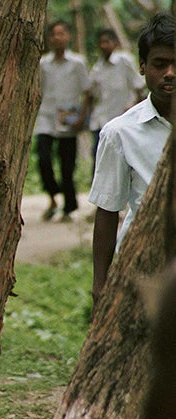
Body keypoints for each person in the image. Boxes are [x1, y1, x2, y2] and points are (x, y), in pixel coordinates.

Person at [89, 13, 174, 305]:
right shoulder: (120, 133)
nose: (170, 73)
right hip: (144, 269)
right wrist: (100, 282)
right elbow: (107, 209)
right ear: (142, 67)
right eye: (160, 64)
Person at [34, 20, 91, 222]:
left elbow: (87, 92)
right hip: (46, 116)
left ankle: (69, 206)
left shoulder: (78, 63)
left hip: (69, 118)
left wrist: (82, 118)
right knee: (43, 157)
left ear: (68, 37)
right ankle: (52, 196)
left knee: (67, 164)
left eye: (62, 34)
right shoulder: (42, 64)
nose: (58, 38)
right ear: (49, 38)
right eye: (54, 34)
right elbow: (37, 90)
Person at [84, 29, 146, 163]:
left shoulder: (124, 61)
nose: (103, 46)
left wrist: (133, 107)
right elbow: (90, 94)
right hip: (100, 120)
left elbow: (139, 86)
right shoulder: (97, 68)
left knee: (123, 157)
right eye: (101, 42)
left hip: (123, 118)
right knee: (98, 155)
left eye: (107, 42)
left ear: (115, 43)